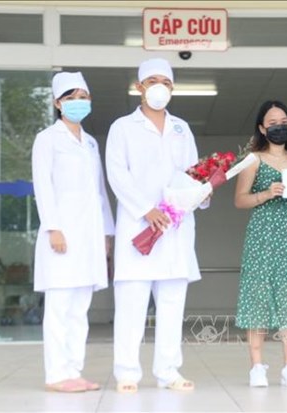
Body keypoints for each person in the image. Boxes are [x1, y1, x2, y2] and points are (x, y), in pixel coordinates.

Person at [105, 58, 200, 393]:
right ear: (139, 87)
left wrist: (200, 195)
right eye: (152, 80)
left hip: (175, 230)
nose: (160, 86)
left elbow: (192, 172)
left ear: (172, 88)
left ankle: (168, 371)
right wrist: (146, 210)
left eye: (166, 81)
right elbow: (117, 175)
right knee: (131, 305)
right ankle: (127, 373)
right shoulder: (122, 127)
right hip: (139, 229)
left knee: (173, 305)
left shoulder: (181, 128)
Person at [32, 71, 115, 392]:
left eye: (83, 97)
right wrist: (53, 227)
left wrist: (107, 233)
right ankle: (56, 374)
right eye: (70, 98)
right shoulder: (47, 139)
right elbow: (43, 185)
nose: (78, 103)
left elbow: (99, 192)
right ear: (57, 103)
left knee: (80, 307)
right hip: (61, 235)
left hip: (89, 235)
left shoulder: (91, 142)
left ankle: (74, 370)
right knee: (59, 306)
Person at [234, 100, 287, 387]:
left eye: (283, 121)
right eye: (272, 122)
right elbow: (240, 199)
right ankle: (257, 366)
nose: (279, 126)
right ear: (261, 128)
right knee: (257, 297)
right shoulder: (253, 159)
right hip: (261, 236)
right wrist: (266, 194)